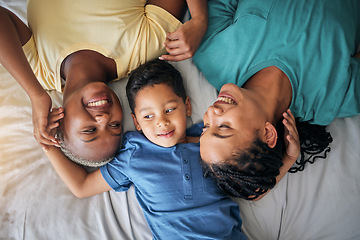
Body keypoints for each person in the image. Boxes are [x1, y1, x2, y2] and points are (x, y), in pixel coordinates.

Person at [43, 59, 249, 239]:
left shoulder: (211, 142)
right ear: (136, 122)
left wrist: (283, 158)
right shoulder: (134, 156)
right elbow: (82, 186)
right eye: (148, 116)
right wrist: (48, 144)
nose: (162, 122)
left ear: (187, 107)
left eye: (169, 110)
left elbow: (253, 185)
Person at [0, 0, 208, 166]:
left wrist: (35, 94)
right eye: (115, 125)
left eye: (89, 130)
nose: (103, 118)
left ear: (60, 121)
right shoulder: (142, 48)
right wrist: (199, 20)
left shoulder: (38, 72)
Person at [192, 0, 360, 199]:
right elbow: (255, 194)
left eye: (206, 126)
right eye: (223, 128)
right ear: (268, 134)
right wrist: (288, 159)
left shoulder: (212, 56)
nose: (212, 112)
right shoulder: (332, 98)